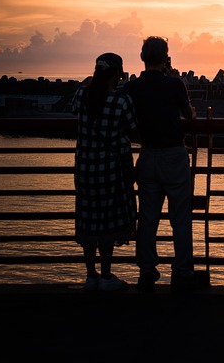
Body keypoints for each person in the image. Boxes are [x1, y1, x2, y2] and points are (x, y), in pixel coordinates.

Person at [124, 36, 205, 294]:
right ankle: (182, 271)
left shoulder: (132, 88)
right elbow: (189, 114)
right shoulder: (174, 84)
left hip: (148, 155)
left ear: (143, 58)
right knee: (180, 218)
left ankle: (147, 271)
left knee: (148, 218)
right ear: (166, 57)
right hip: (173, 155)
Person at [72, 52, 137, 292]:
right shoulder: (121, 101)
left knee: (88, 218)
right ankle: (107, 275)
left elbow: (74, 106)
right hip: (110, 169)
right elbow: (133, 130)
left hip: (84, 168)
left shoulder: (82, 95)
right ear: (118, 74)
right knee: (108, 221)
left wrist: (91, 82)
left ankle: (91, 275)